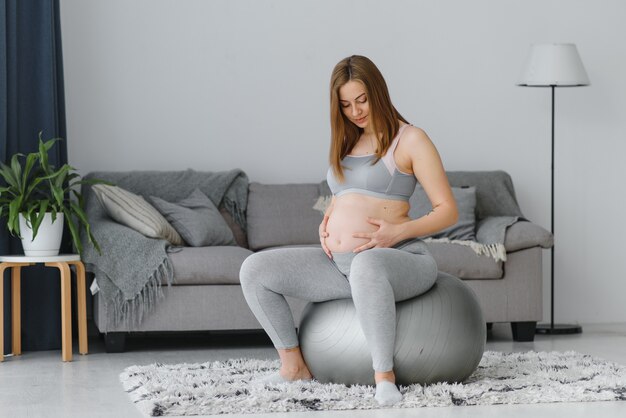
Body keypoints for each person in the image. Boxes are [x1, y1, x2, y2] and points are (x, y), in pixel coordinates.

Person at [239, 55, 458, 406]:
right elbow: (348, 195)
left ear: (378, 93)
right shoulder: (347, 142)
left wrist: (395, 234)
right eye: (345, 105)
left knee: (367, 265)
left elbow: (447, 211)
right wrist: (329, 219)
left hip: (399, 259)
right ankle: (293, 366)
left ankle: (384, 378)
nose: (355, 112)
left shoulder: (411, 139)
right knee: (255, 270)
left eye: (362, 100)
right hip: (342, 267)